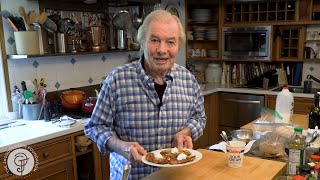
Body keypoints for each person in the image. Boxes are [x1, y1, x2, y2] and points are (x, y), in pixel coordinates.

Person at [84, 10, 206, 180]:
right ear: (142, 42)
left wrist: (186, 132)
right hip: (132, 176)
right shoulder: (117, 80)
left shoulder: (188, 80)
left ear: (178, 46)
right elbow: (95, 126)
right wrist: (120, 146)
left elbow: (199, 118)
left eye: (170, 42)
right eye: (154, 40)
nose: (162, 50)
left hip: (175, 176)